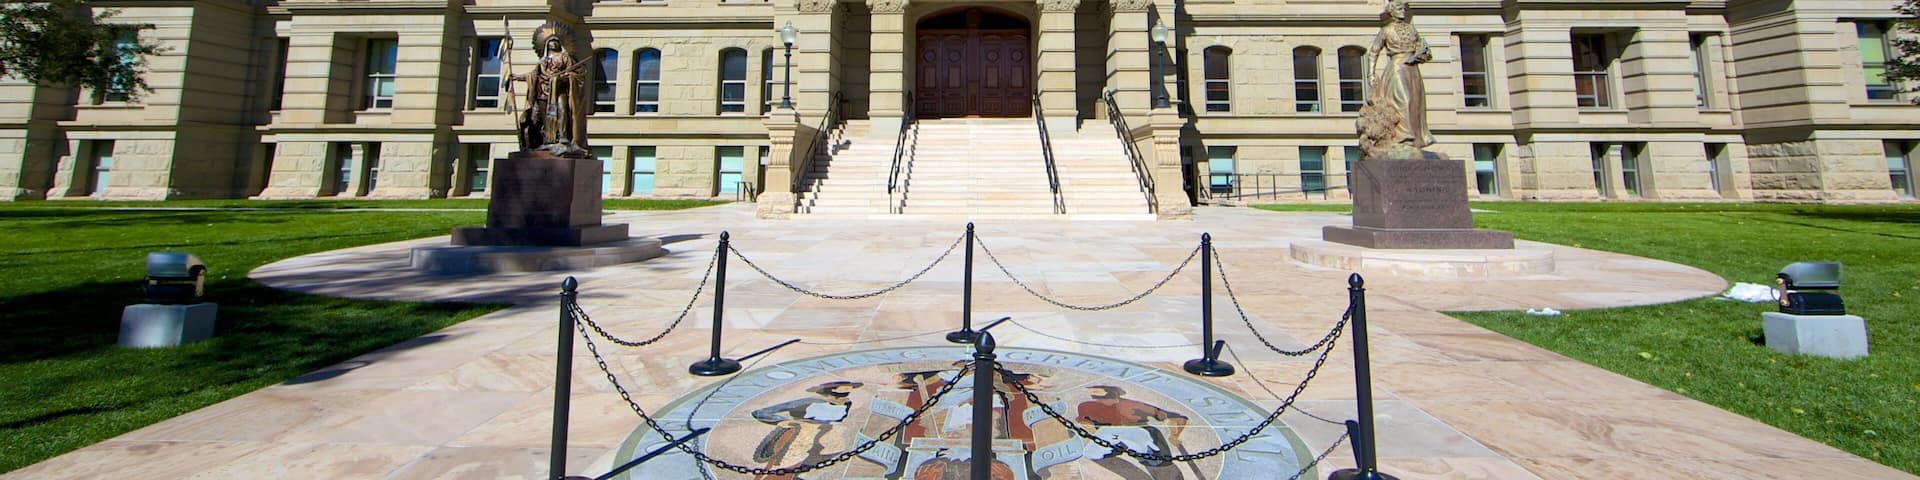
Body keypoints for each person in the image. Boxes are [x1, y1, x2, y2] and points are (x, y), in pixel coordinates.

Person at [1357, 0, 1435, 160]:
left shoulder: (1411, 29)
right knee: (1403, 101)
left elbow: (1425, 49)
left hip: (1412, 68)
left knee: (1415, 103)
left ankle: (1416, 139)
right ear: (1392, 11)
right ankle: (1403, 138)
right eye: (1399, 8)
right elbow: (1373, 52)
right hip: (1397, 68)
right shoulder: (1386, 30)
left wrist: (1422, 54)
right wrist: (1371, 75)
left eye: (1403, 9)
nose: (1402, 11)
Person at [749, 381, 864, 480]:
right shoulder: (808, 402)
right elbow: (761, 412)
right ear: (829, 393)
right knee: (783, 465)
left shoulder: (846, 404)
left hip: (825, 436)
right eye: (839, 395)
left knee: (811, 461)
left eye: (846, 394)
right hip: (800, 434)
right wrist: (785, 422)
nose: (843, 398)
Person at [1073, 385, 1189, 480]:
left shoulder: (1130, 406)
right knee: (1093, 452)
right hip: (1110, 435)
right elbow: (1085, 422)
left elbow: (1176, 419)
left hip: (1140, 434)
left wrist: (1174, 434)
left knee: (1159, 465)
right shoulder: (1086, 407)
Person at [507, 21, 589, 152]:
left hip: (559, 90)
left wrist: (563, 77)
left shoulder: (565, 57)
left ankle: (563, 137)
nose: (554, 42)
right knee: (542, 117)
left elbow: (576, 73)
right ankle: (546, 139)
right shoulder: (542, 61)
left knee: (562, 111)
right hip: (543, 92)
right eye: (551, 40)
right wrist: (517, 77)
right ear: (546, 45)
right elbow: (533, 75)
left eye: (556, 40)